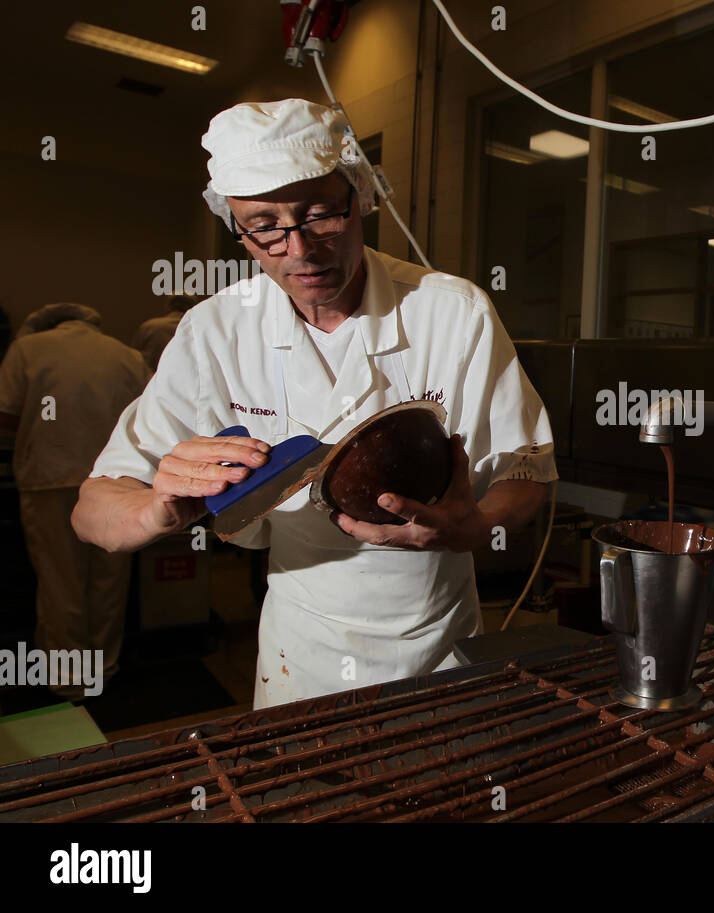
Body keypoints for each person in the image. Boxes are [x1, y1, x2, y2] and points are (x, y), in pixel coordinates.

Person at [72, 99, 557, 710]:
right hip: (298, 643)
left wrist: (478, 527)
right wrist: (156, 511)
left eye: (321, 213)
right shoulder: (215, 331)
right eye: (265, 226)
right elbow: (93, 510)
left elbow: (527, 465)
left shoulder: (449, 311)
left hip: (435, 632)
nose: (298, 249)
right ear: (238, 229)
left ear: (360, 195)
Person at [0, 303, 151, 698]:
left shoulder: (28, 349)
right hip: (117, 479)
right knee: (109, 579)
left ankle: (68, 677)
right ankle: (103, 665)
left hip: (49, 477)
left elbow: (7, 414)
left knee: (58, 579)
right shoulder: (125, 355)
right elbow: (150, 418)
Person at [133, 294, 196, 371]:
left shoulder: (150, 327)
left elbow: (134, 359)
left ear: (168, 306)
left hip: (152, 380)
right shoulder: (198, 329)